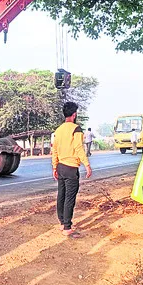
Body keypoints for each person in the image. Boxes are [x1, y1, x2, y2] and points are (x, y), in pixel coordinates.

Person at [52, 102, 92, 238]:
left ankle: (62, 222)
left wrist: (54, 166)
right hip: (71, 168)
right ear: (74, 114)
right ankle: (67, 228)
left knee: (61, 195)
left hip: (61, 166)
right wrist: (87, 164)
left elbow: (54, 150)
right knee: (70, 198)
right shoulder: (76, 129)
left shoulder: (58, 130)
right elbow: (79, 148)